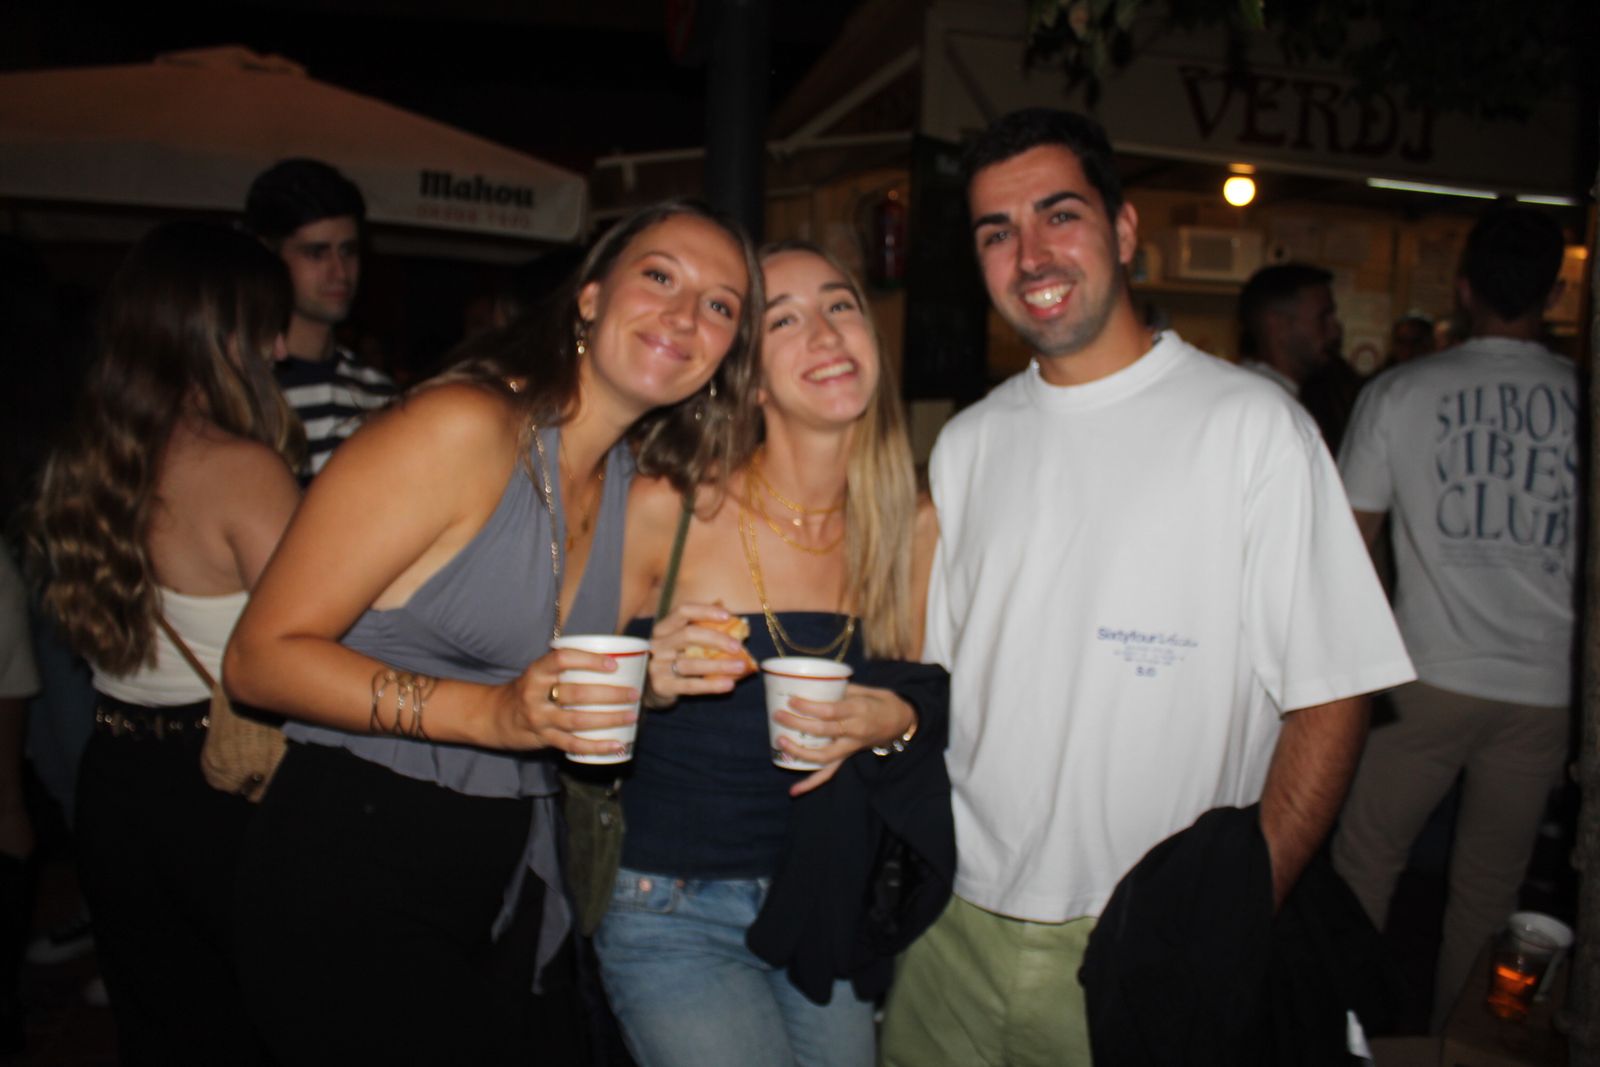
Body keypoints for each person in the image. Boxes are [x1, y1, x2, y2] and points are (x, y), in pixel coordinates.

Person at [878, 108, 1415, 1065]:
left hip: (1142, 939)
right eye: (997, 232)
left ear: (1124, 231)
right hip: (953, 927)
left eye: (1059, 215)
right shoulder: (968, 444)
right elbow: (947, 686)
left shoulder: (1250, 427)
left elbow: (1334, 693)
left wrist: (1237, 908)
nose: (1029, 255)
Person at [222, 198, 761, 1064]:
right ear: (590, 296)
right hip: (354, 866)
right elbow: (258, 659)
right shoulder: (462, 427)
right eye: (659, 276)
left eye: (720, 304)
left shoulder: (628, 485)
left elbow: (552, 684)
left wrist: (649, 678)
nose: (684, 314)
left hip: (507, 879)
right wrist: (490, 714)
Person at [591, 241, 949, 1067]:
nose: (824, 332)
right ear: (749, 377)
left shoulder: (911, 525)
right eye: (785, 320)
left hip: (824, 899)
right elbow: (546, 684)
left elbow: (926, 710)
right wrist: (645, 679)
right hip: (671, 903)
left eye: (840, 305)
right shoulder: (670, 506)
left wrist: (893, 719)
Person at [30, 222, 302, 1065]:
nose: (281, 347)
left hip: (114, 778)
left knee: (159, 1029)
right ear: (215, 332)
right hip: (225, 776)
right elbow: (316, 636)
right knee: (262, 1025)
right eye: (267, 325)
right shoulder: (242, 468)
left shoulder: (91, 449)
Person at [1331, 206, 1576, 1029]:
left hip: (1424, 674)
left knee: (1364, 862)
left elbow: (1347, 545)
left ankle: (1350, 1031)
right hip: (1546, 686)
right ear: (1554, 292)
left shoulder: (1401, 390)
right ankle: (1465, 1045)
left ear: (1463, 289)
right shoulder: (1583, 399)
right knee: (1490, 892)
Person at [245, 157, 397, 480]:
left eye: (348, 251)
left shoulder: (378, 393)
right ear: (267, 254)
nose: (339, 272)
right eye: (317, 252)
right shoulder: (239, 388)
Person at [1237, 261, 1343, 397]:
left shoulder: (1271, 391)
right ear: (1279, 326)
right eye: (1322, 318)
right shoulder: (1262, 398)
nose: (1335, 331)